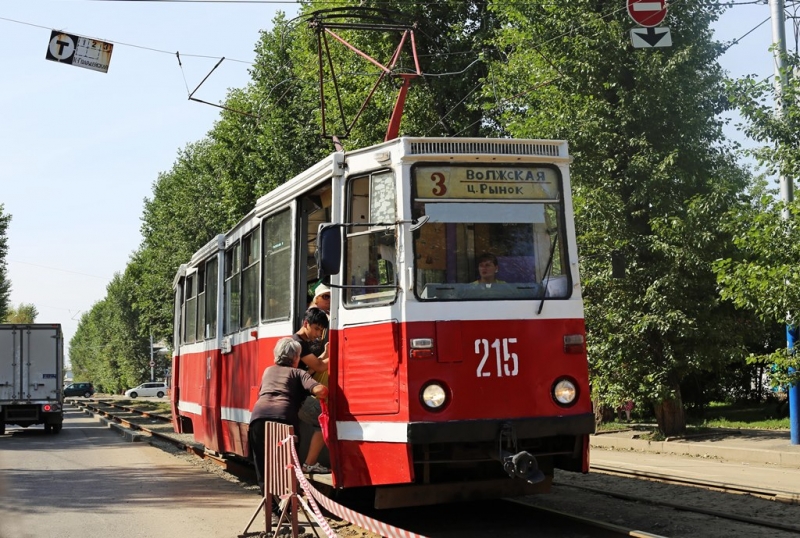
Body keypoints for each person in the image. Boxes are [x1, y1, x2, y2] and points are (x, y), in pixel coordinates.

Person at [248, 337, 328, 496]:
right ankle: (286, 504)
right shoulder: (298, 373)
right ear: (296, 357)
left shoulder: (268, 371)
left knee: (264, 467)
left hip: (257, 419)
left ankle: (272, 509)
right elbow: (320, 391)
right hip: (283, 420)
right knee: (287, 466)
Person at [293, 307, 331, 473]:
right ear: (306, 323)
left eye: (320, 331)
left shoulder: (300, 342)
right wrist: (337, 354)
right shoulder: (299, 343)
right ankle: (309, 464)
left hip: (296, 397)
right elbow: (320, 367)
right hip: (298, 398)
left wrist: (324, 354)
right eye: (316, 329)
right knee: (326, 419)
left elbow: (312, 368)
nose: (317, 334)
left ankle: (309, 463)